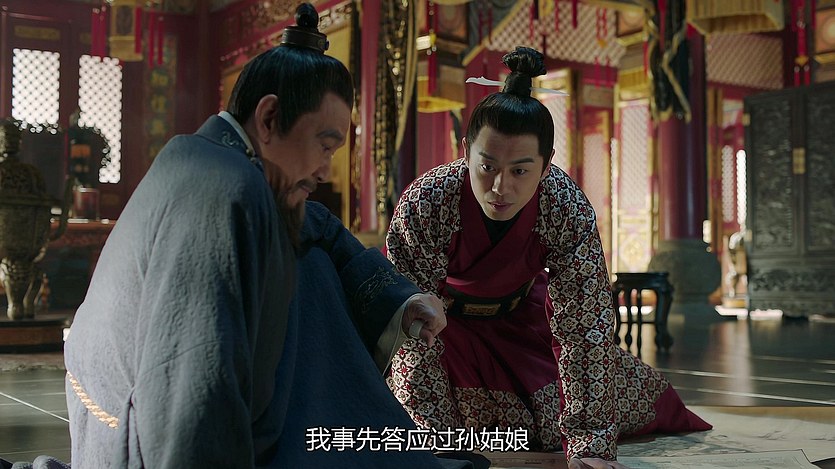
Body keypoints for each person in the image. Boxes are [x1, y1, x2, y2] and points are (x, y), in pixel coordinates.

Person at [385, 47, 711, 469]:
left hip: (525, 320)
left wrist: (590, 446)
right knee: (435, 421)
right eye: (487, 167)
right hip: (448, 331)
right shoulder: (428, 201)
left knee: (640, 395)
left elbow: (585, 326)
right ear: (466, 151)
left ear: (546, 165)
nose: (500, 187)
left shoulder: (564, 204)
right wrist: (437, 443)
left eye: (520, 170)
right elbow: (410, 322)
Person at [62, 4, 353, 466]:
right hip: (131, 441)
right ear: (269, 118)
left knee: (314, 258)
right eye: (325, 145)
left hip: (103, 413)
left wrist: (399, 298)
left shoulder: (217, 160)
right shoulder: (225, 190)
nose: (325, 169)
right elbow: (193, 386)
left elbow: (322, 227)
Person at [266, 201, 482, 469]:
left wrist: (404, 301)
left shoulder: (304, 216)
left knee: (313, 260)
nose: (321, 177)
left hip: (316, 395)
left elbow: (341, 247)